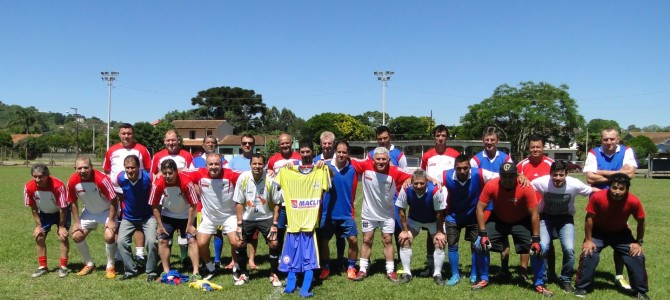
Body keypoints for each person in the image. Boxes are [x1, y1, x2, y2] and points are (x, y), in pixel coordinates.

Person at [474, 163, 553, 296]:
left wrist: (535, 239)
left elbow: (534, 214)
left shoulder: (526, 187)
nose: (508, 180)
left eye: (511, 176)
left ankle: (539, 283)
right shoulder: (492, 185)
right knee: (479, 244)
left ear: (516, 176)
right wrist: (482, 233)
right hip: (498, 219)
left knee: (538, 248)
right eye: (504, 176)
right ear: (500, 176)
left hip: (521, 221)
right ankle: (483, 278)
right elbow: (480, 209)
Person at [574, 173, 649, 300]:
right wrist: (588, 240)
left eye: (621, 189)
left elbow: (641, 221)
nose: (617, 192)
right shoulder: (597, 197)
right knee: (589, 253)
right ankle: (582, 286)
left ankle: (639, 291)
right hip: (598, 232)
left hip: (621, 233)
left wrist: (638, 242)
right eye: (614, 188)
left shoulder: (633, 201)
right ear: (609, 187)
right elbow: (589, 218)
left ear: (627, 189)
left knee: (637, 255)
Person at [273, 142, 331, 297]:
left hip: (310, 224)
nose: (305, 154)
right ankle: (291, 283)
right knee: (292, 255)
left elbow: (330, 178)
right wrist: (285, 168)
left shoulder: (320, 169)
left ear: (312, 152)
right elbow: (275, 184)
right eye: (303, 152)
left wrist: (324, 166)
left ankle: (305, 286)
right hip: (293, 223)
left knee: (309, 257)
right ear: (300, 152)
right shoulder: (289, 169)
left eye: (308, 151)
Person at [583, 127, 638, 289]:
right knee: (591, 238)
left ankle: (619, 275)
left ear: (618, 139)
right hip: (598, 203)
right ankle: (586, 276)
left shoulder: (627, 151)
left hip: (620, 203)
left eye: (612, 139)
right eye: (606, 139)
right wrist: (618, 173)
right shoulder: (593, 152)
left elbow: (630, 175)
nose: (609, 142)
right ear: (601, 140)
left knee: (620, 238)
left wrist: (601, 172)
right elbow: (589, 177)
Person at [531, 161, 597, 292]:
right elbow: (526, 186)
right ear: (550, 174)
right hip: (545, 217)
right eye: (555, 175)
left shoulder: (574, 184)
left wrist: (610, 195)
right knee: (543, 246)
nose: (558, 178)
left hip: (565, 219)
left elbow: (592, 191)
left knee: (569, 249)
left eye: (561, 175)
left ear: (566, 174)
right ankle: (542, 278)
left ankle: (565, 278)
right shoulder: (542, 182)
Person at [350, 147, 413, 282]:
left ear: (389, 160)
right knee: (367, 240)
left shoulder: (395, 171)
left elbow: (417, 175)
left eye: (384, 159)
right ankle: (362, 269)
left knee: (387, 240)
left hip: (387, 214)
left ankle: (390, 271)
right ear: (373, 160)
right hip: (369, 213)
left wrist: (433, 181)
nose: (380, 162)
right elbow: (345, 158)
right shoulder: (365, 165)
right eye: (378, 159)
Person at [470, 126, 523, 280]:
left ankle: (504, 268)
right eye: (487, 140)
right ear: (482, 141)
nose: (489, 142)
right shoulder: (476, 159)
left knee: (504, 237)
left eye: (492, 140)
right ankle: (482, 271)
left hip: (503, 204)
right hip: (485, 205)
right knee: (482, 236)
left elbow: (515, 176)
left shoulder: (506, 158)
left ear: (497, 141)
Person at [442, 155, 499, 286]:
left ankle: (474, 274)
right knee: (452, 245)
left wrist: (519, 176)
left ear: (470, 167)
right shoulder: (445, 175)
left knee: (475, 246)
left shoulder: (479, 173)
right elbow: (427, 177)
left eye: (465, 168)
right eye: (459, 168)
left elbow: (500, 176)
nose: (462, 171)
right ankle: (455, 275)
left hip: (473, 216)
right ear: (454, 168)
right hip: (453, 216)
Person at [188, 153, 243, 280]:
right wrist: (159, 173)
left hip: (229, 215)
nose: (214, 167)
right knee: (201, 243)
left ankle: (236, 266)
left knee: (236, 242)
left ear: (221, 164)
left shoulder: (231, 174)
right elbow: (180, 172)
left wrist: (268, 172)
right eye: (211, 164)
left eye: (217, 164)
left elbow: (248, 174)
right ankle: (210, 268)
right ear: (206, 165)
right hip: (209, 216)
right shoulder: (198, 173)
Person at [103, 123, 152, 262]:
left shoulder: (141, 149)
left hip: (136, 193)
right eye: (123, 133)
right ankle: (119, 255)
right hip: (116, 194)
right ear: (119, 134)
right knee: (118, 223)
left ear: (133, 134)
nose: (126, 136)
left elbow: (149, 170)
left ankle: (140, 253)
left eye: (129, 133)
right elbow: (107, 171)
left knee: (138, 222)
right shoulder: (112, 150)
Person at [233, 153, 282, 287]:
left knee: (274, 242)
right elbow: (238, 202)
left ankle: (273, 273)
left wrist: (275, 224)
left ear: (264, 165)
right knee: (239, 243)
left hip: (266, 217)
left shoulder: (271, 179)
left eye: (260, 164)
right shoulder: (243, 177)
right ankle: (243, 273)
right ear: (250, 165)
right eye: (254, 163)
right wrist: (239, 224)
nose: (257, 166)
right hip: (247, 218)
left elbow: (278, 202)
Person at [67, 156, 119, 279]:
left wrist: (111, 220)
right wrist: (77, 222)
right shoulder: (72, 181)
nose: (83, 170)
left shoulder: (101, 179)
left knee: (109, 236)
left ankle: (110, 266)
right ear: (75, 168)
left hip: (107, 212)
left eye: (86, 167)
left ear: (91, 167)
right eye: (79, 168)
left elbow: (114, 199)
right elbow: (73, 202)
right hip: (89, 212)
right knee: (76, 235)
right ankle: (89, 264)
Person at [149, 159, 200, 280]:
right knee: (162, 241)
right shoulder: (158, 183)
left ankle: (196, 272)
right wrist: (160, 225)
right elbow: (154, 205)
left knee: (192, 240)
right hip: (168, 216)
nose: (168, 176)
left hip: (186, 216)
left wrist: (189, 225)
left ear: (176, 172)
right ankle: (166, 270)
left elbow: (194, 204)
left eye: (170, 173)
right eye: (165, 173)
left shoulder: (186, 182)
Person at [418, 124, 459, 276]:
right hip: (431, 200)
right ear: (434, 137)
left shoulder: (454, 155)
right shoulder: (427, 155)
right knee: (431, 232)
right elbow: (421, 173)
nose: (440, 138)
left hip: (449, 200)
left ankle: (447, 266)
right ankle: (430, 266)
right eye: (438, 136)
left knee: (449, 232)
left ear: (447, 137)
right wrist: (432, 180)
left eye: (443, 136)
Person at [316, 140, 360, 280]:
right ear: (335, 151)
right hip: (327, 214)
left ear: (348, 153)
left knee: (353, 240)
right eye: (339, 151)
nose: (341, 154)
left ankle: (351, 267)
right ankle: (325, 267)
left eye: (344, 152)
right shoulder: (325, 167)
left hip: (346, 214)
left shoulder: (354, 168)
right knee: (323, 241)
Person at [395, 169, 447, 285]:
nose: (419, 186)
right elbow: (401, 211)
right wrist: (404, 231)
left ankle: (437, 274)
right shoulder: (406, 189)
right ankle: (407, 273)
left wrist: (439, 232)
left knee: (440, 242)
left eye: (422, 183)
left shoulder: (435, 191)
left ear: (427, 182)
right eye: (416, 183)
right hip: (414, 220)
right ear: (411, 182)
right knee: (404, 239)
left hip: (433, 221)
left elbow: (440, 214)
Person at [112, 155, 159, 282]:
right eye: (127, 168)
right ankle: (130, 270)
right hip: (129, 216)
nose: (130, 170)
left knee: (152, 241)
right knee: (121, 241)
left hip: (148, 216)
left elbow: (158, 190)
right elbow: (115, 193)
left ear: (139, 167)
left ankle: (151, 271)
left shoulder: (148, 177)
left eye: (133, 167)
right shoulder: (120, 178)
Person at [24, 164, 71, 278]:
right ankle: (42, 267)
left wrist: (61, 226)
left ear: (47, 175)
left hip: (61, 212)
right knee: (39, 236)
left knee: (62, 236)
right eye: (35, 176)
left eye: (40, 176)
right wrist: (38, 226)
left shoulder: (57, 185)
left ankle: (63, 267)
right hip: (44, 213)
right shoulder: (29, 187)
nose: (37, 179)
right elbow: (34, 208)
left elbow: (63, 208)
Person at [192, 135, 229, 269]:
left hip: (219, 204)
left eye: (213, 142)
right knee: (203, 233)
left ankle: (217, 260)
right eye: (208, 142)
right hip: (203, 205)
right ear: (203, 145)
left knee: (218, 232)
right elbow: (192, 179)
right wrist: (199, 194)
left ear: (216, 145)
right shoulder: (196, 161)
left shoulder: (223, 161)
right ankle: (205, 261)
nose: (210, 145)